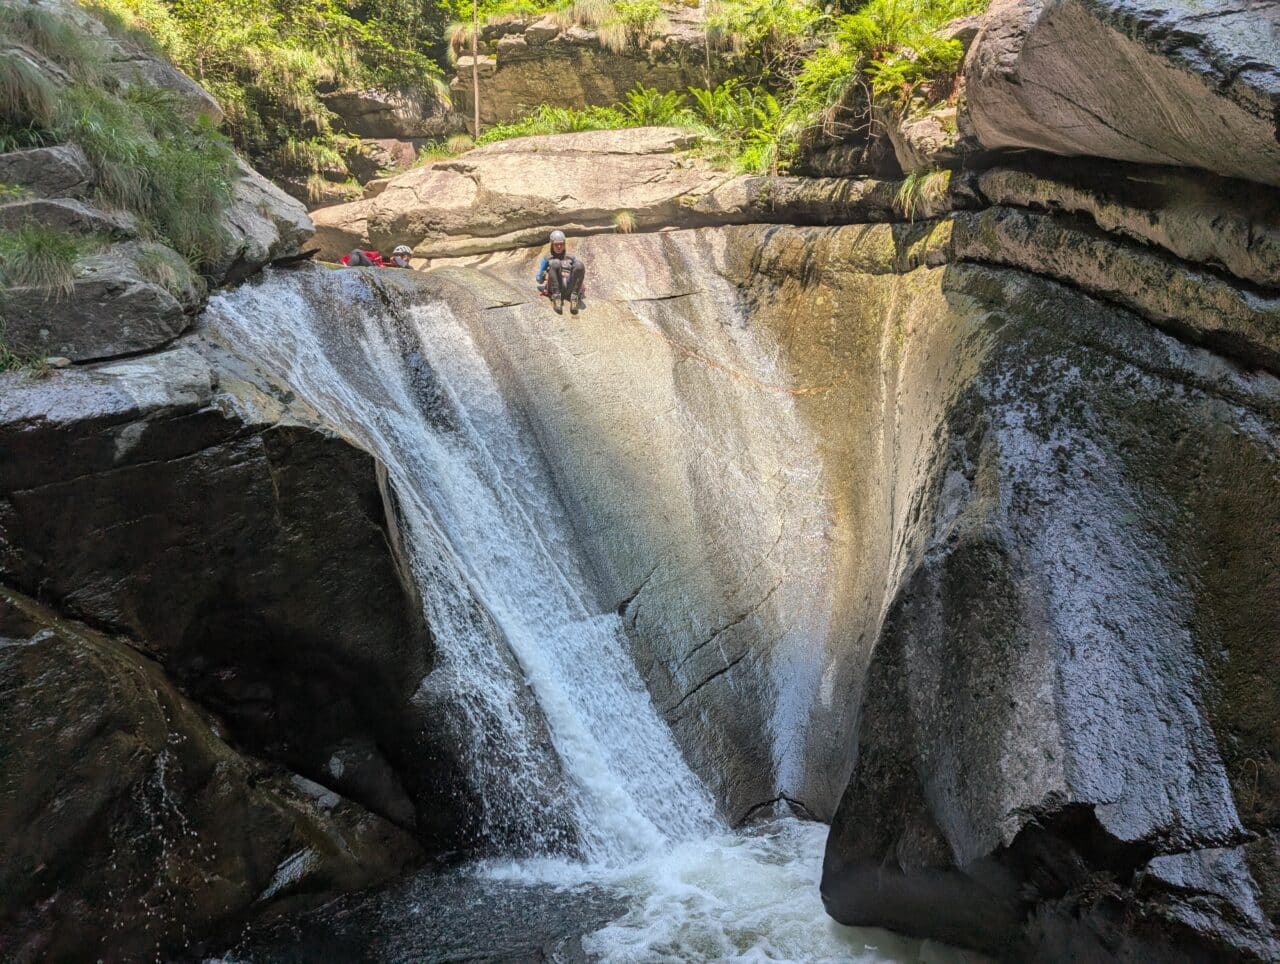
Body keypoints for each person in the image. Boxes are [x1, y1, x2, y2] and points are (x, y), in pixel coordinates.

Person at [535, 230, 586, 315]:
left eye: (561, 244)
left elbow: (579, 271)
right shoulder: (547, 258)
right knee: (555, 263)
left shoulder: (571, 257)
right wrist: (544, 276)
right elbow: (539, 279)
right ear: (552, 244)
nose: (559, 247)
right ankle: (557, 298)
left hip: (569, 286)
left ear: (564, 244)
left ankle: (574, 297)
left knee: (580, 264)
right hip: (555, 285)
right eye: (556, 244)